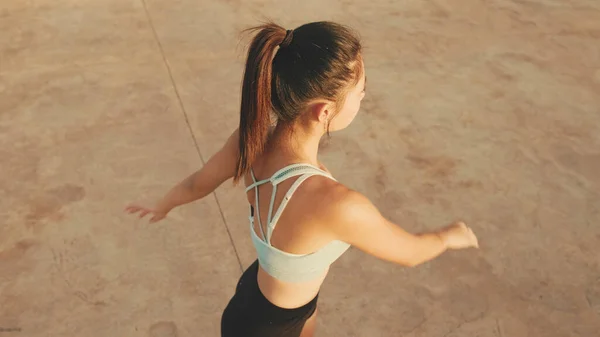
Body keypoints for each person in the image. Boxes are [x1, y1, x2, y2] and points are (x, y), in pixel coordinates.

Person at [125, 21, 479, 337]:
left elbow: (197, 183)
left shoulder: (252, 138)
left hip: (262, 297)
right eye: (361, 92)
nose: (364, 97)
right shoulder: (337, 204)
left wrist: (164, 204)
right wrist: (447, 237)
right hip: (269, 328)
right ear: (325, 110)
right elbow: (410, 253)